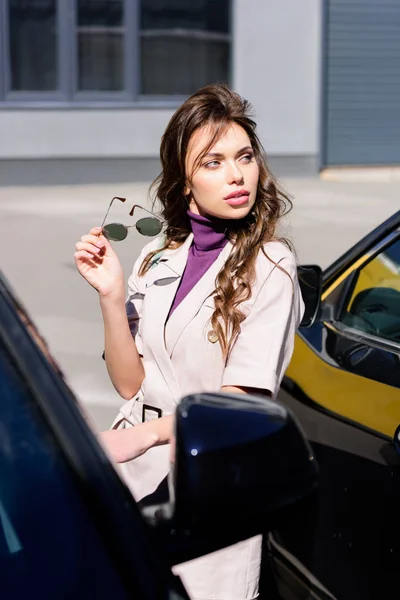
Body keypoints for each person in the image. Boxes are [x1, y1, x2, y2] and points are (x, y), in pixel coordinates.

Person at [74, 83, 304, 600]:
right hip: (133, 481)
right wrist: (112, 297)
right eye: (213, 162)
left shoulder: (271, 267)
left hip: (208, 484)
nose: (236, 174)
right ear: (184, 184)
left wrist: (147, 435)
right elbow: (131, 384)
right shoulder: (158, 254)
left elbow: (239, 403)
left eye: (244, 157)